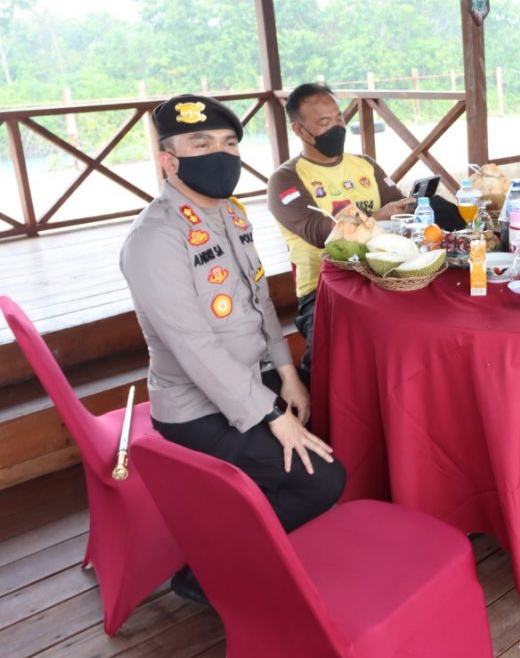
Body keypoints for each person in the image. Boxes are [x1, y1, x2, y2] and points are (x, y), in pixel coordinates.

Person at [121, 94, 346, 604]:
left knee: (329, 409)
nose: (219, 155)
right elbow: (194, 349)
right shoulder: (155, 238)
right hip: (196, 406)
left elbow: (259, 301)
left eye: (228, 143)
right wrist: (271, 413)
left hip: (253, 377)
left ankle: (261, 526)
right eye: (200, 144)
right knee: (323, 481)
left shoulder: (230, 213)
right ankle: (204, 575)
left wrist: (287, 372)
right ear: (168, 160)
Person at [267, 83, 452, 384]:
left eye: (338, 119)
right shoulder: (285, 179)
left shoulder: (365, 165)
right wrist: (378, 216)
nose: (336, 128)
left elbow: (397, 204)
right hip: (323, 289)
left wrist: (415, 206)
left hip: (385, 275)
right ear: (299, 130)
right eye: (324, 123)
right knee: (328, 362)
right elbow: (318, 233)